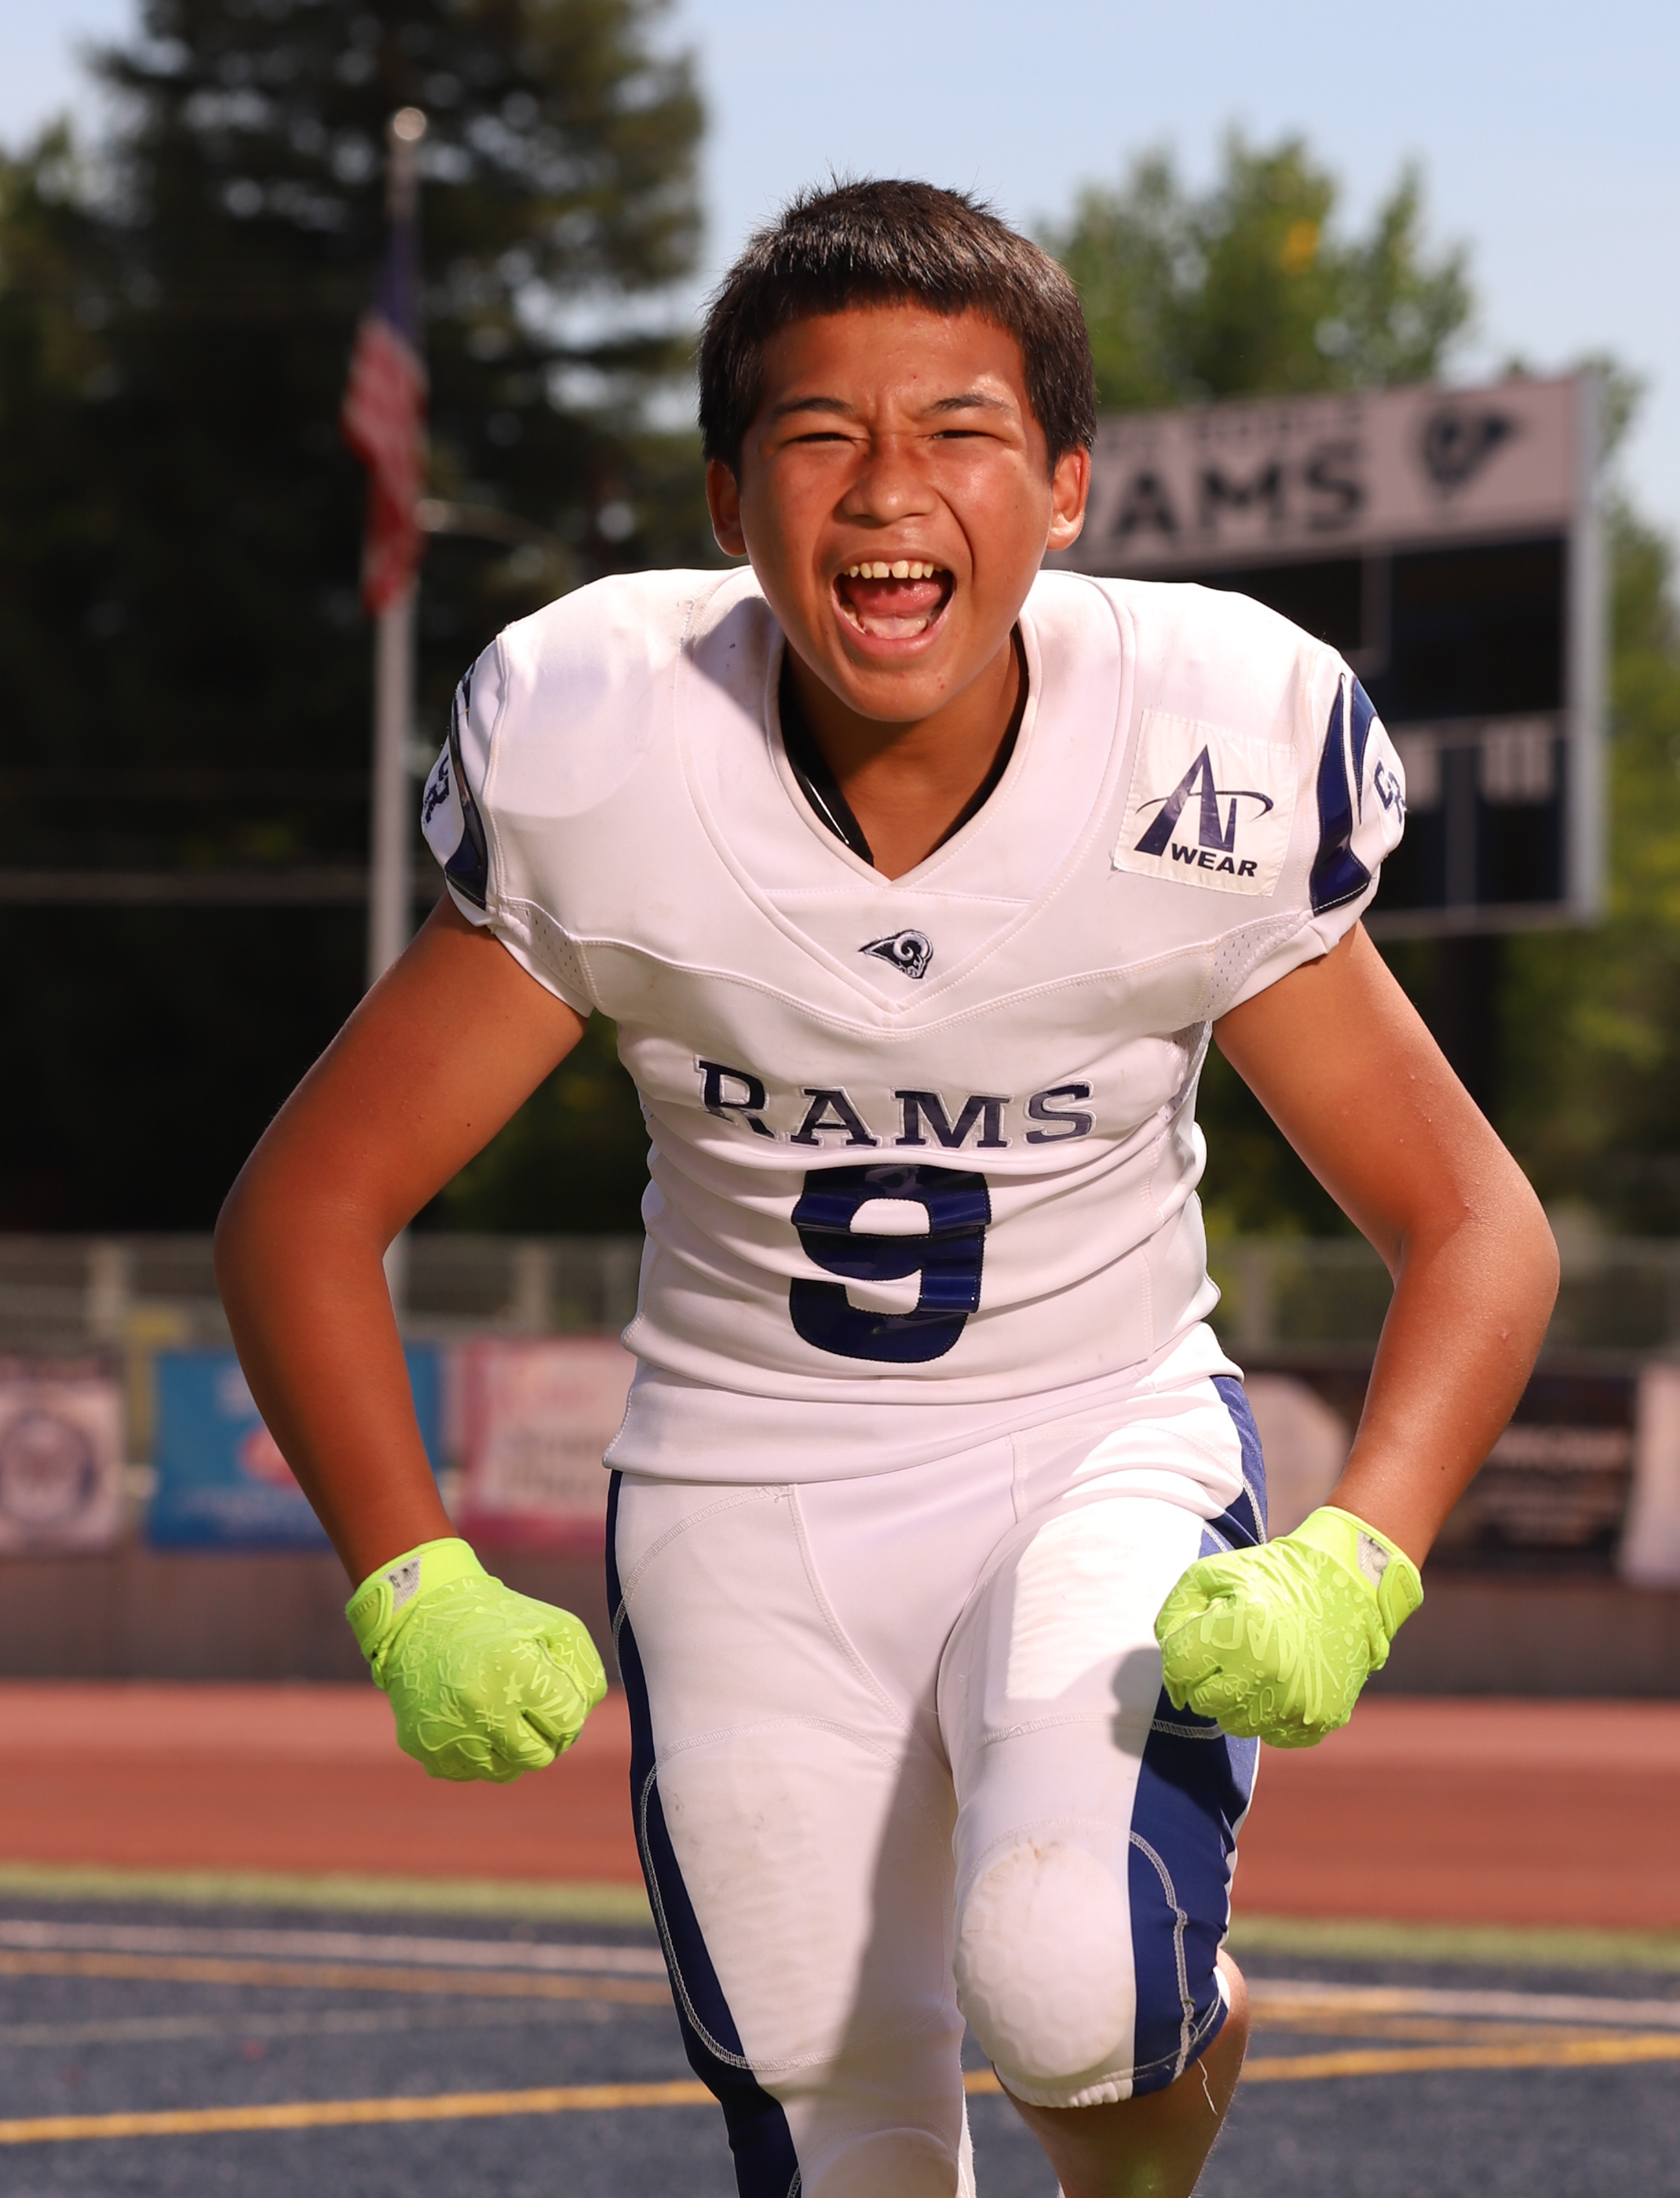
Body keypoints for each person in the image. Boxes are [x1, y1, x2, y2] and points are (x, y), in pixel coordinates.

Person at [216, 179, 1558, 2198]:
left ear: (1068, 485)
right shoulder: (605, 744)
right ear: (727, 497)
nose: (886, 487)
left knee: (1074, 1979)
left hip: (1090, 1433)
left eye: (958, 429)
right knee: (838, 2131)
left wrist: (1363, 1547)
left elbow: (1470, 1218)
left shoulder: (1203, 743)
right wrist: (407, 1577)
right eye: (820, 432)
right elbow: (305, 1210)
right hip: (743, 1475)